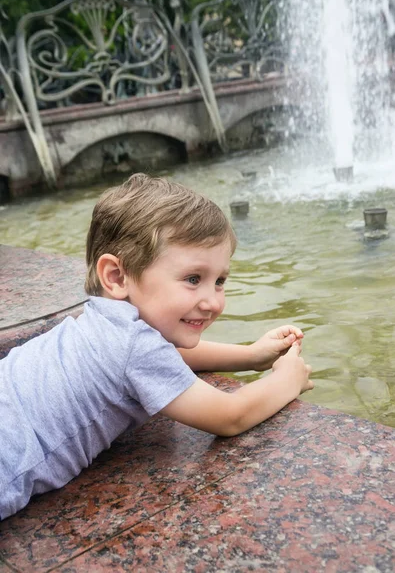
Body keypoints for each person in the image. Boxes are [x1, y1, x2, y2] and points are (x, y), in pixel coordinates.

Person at [0, 173, 313, 520]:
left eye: (220, 281)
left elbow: (166, 358)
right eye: (193, 279)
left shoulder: (109, 325)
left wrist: (251, 356)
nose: (212, 301)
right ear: (117, 277)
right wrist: (288, 379)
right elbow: (229, 416)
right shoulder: (133, 346)